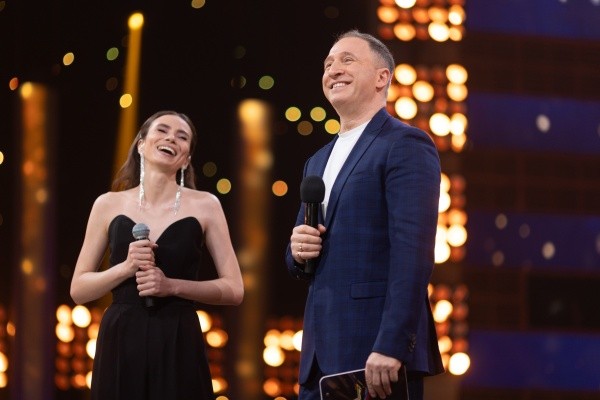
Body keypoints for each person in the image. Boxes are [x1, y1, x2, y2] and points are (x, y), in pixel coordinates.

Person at [285, 30, 444, 400]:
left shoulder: (404, 144)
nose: (333, 70)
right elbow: (298, 260)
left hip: (374, 354)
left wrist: (392, 344)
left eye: (347, 60)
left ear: (381, 77)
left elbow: (413, 253)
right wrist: (297, 250)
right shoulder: (317, 160)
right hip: (318, 360)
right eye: (328, 64)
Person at [71, 110, 244, 400]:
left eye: (182, 137)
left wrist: (172, 286)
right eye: (162, 131)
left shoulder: (206, 205)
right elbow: (79, 289)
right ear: (141, 144)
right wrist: (126, 267)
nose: (171, 139)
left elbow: (234, 289)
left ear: (186, 158)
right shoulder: (108, 204)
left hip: (178, 336)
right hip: (121, 338)